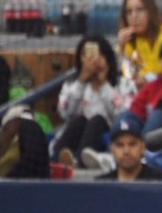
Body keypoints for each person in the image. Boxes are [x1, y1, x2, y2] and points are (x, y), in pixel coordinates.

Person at [55, 34, 135, 168]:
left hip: (109, 138)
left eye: (99, 55)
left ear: (108, 58)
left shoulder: (124, 84)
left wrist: (104, 86)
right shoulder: (73, 85)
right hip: (77, 135)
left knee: (97, 121)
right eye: (89, 55)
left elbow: (124, 116)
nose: (95, 61)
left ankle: (80, 162)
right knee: (80, 121)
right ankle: (57, 160)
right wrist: (81, 81)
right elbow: (64, 112)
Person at [95, 112, 162, 181]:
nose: (126, 151)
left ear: (143, 147)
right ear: (112, 149)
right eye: (120, 145)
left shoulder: (158, 181)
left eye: (132, 144)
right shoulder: (102, 184)